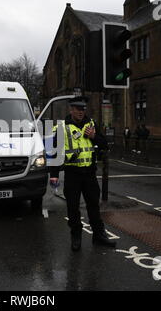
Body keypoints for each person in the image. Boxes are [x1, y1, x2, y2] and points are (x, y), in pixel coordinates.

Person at [49, 96, 116, 251]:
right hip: (72, 174)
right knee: (73, 207)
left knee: (94, 205)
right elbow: (54, 154)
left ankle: (99, 235)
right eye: (77, 109)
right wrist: (54, 175)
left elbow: (105, 144)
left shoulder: (91, 124)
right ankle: (76, 236)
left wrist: (94, 136)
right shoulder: (62, 128)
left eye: (83, 109)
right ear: (71, 109)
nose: (80, 112)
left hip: (89, 174)